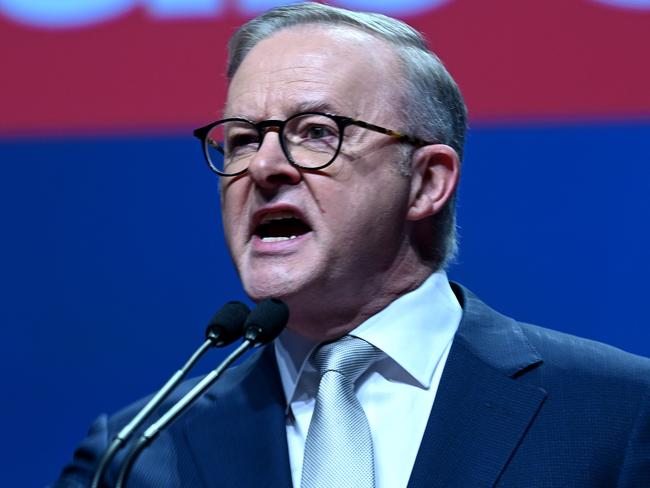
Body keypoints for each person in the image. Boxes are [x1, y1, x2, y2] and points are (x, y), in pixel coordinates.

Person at [54, 3, 650, 487]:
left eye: (316, 132)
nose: (263, 167)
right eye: (240, 140)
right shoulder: (137, 453)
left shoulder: (619, 413)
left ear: (426, 183)